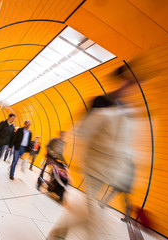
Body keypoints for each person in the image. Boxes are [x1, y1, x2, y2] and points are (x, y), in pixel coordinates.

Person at [47, 65, 138, 240]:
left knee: (85, 209)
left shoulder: (124, 108)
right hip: (94, 166)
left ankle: (57, 235)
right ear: (121, 81)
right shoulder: (100, 101)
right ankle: (60, 235)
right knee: (92, 213)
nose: (130, 86)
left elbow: (124, 144)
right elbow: (84, 130)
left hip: (109, 170)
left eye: (132, 83)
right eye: (128, 81)